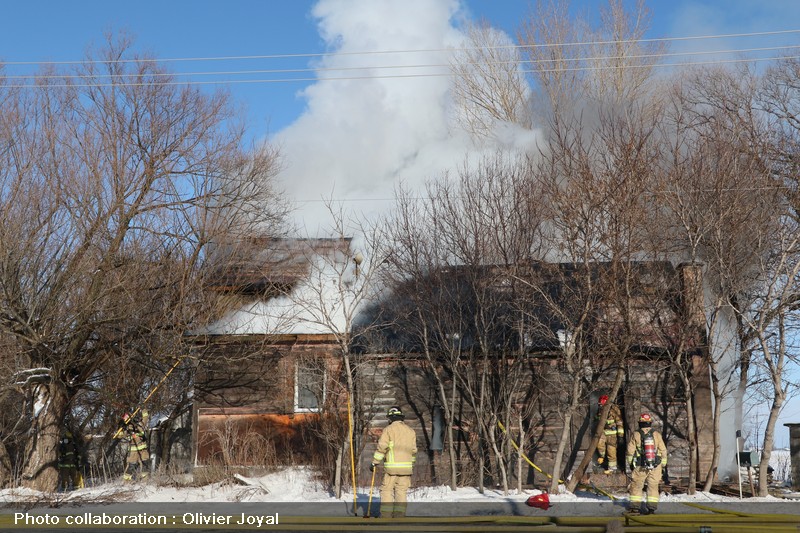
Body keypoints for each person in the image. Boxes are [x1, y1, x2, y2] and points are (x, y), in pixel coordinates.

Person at [371, 406, 417, 518]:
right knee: (401, 491)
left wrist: (375, 462)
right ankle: (399, 516)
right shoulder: (410, 431)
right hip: (406, 468)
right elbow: (413, 451)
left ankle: (386, 515)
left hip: (392, 468)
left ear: (390, 418)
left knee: (386, 490)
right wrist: (411, 464)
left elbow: (382, 447)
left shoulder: (388, 430)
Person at [625, 413, 667, 515]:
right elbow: (663, 450)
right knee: (653, 486)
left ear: (640, 423)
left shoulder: (636, 434)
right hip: (655, 465)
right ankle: (651, 509)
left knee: (637, 486)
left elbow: (630, 451)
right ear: (650, 423)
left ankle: (635, 508)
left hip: (640, 465)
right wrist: (663, 464)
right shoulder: (657, 434)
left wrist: (631, 463)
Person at [596, 394, 625, 473]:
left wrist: (620, 436)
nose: (600, 406)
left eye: (602, 405)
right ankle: (602, 457)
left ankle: (612, 468)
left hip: (612, 434)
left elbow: (619, 423)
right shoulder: (600, 410)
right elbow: (597, 418)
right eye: (600, 405)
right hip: (603, 432)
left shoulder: (615, 410)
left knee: (611, 451)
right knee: (599, 444)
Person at [121, 412, 150, 482]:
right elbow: (121, 436)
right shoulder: (126, 427)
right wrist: (124, 429)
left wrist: (144, 410)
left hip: (143, 449)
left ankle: (145, 480)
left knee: (145, 463)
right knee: (132, 465)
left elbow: (145, 418)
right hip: (133, 450)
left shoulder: (140, 424)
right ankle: (126, 481)